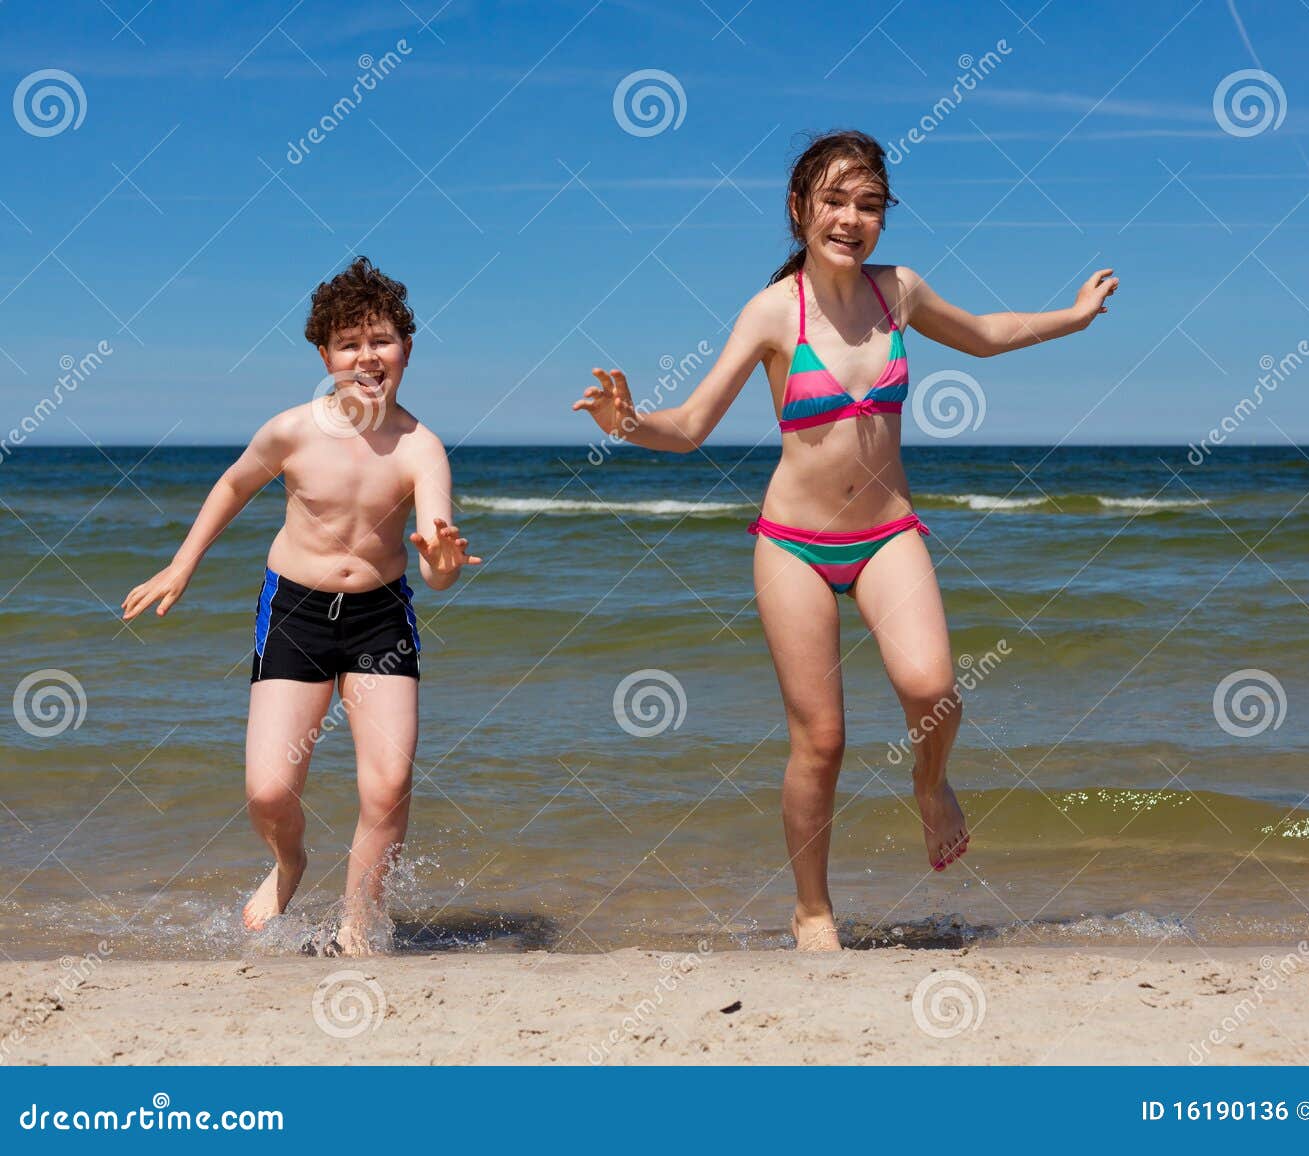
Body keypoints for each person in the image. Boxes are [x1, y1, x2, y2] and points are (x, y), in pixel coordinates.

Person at [574, 131, 1118, 951]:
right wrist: (629, 423)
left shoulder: (897, 291)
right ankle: (813, 910)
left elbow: (986, 332)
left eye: (868, 204)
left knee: (935, 689)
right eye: (834, 200)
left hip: (886, 531)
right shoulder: (772, 312)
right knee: (821, 741)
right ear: (799, 210)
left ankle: (930, 788)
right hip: (792, 542)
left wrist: (1072, 317)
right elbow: (688, 427)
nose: (851, 218)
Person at [121, 256, 481, 954]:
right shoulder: (293, 430)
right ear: (325, 355)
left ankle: (358, 926)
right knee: (268, 791)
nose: (367, 357)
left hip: (380, 618)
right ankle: (290, 864)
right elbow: (232, 486)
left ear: (406, 348)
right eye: (349, 343)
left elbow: (437, 562)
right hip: (295, 614)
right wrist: (182, 563)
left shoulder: (421, 448)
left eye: (381, 340)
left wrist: (441, 566)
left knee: (390, 782)